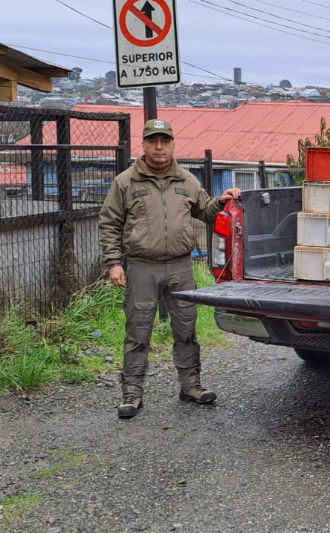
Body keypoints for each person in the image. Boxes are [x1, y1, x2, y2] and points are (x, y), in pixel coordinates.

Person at [99, 118, 241, 419]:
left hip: (180, 267)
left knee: (186, 328)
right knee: (138, 330)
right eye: (153, 141)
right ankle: (132, 393)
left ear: (173, 144)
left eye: (165, 141)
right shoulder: (125, 182)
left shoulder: (187, 181)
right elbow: (110, 223)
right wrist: (114, 262)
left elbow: (205, 211)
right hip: (141, 267)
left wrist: (222, 201)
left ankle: (191, 386)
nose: (159, 147)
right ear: (145, 145)